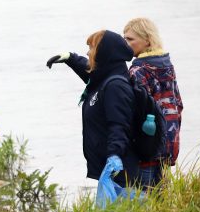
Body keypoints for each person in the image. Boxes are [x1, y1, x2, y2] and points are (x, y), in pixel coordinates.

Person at [46, 30, 141, 188]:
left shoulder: (115, 86)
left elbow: (119, 125)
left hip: (121, 171)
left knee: (121, 210)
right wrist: (70, 58)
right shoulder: (106, 76)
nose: (87, 52)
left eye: (91, 48)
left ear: (104, 53)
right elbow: (92, 74)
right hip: (110, 168)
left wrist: (115, 156)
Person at [122, 18, 184, 187]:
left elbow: (135, 112)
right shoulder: (167, 66)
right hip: (169, 145)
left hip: (148, 149)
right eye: (124, 38)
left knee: (143, 203)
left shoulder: (138, 71)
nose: (126, 43)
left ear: (147, 40)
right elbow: (178, 105)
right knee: (162, 203)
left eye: (130, 39)